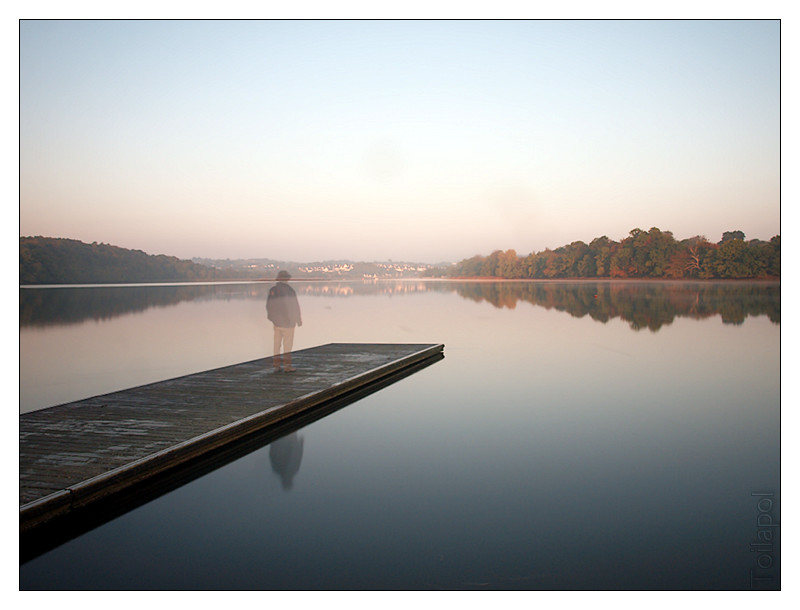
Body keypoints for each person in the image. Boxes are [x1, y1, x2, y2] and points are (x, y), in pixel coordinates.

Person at [266, 270, 302, 372]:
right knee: (287, 344)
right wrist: (298, 319)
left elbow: (269, 306)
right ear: (287, 279)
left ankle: (276, 364)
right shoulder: (289, 290)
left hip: (276, 322)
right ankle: (287, 366)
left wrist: (271, 318)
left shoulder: (273, 290)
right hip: (288, 322)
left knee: (276, 344)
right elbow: (294, 305)